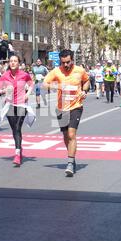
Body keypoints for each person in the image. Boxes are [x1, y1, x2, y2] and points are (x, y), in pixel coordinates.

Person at [42, 49, 90, 177]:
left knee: (71, 133)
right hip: (61, 107)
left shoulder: (80, 70)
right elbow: (44, 84)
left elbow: (86, 81)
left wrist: (84, 92)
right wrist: (56, 86)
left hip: (76, 106)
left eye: (68, 62)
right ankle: (72, 158)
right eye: (63, 63)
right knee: (65, 136)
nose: (66, 65)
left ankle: (69, 163)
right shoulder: (56, 71)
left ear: (72, 60)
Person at [0, 55, 34, 167]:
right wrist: (4, 90)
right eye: (11, 61)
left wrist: (27, 93)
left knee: (17, 127)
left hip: (22, 104)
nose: (12, 63)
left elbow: (31, 84)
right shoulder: (5, 76)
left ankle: (17, 154)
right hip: (10, 105)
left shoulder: (24, 75)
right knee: (14, 130)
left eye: (15, 61)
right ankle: (19, 148)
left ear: (18, 63)